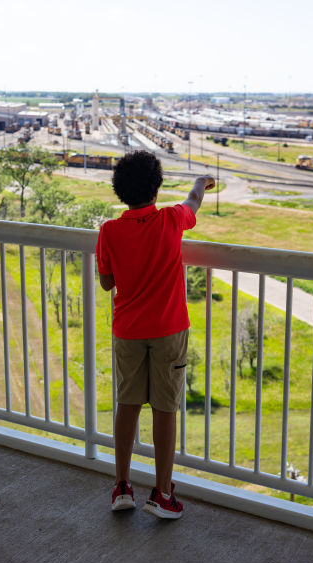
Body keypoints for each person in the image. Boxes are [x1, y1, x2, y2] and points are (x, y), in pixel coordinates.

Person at [97, 150, 215, 521]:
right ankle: (162, 494)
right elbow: (192, 202)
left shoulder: (109, 231)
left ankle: (121, 487)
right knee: (165, 408)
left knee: (127, 404)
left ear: (120, 191)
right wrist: (200, 183)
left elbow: (106, 283)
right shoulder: (171, 219)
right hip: (168, 330)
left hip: (128, 330)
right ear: (157, 186)